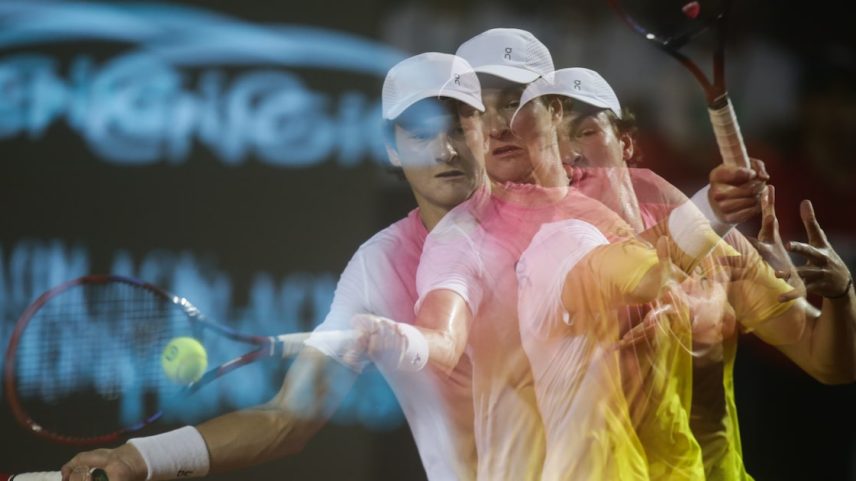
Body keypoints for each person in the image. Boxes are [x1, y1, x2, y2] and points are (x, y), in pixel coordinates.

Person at [60, 52, 488, 481]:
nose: (445, 150)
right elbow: (287, 419)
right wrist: (141, 458)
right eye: (421, 134)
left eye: (459, 128)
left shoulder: (531, 233)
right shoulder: (379, 265)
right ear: (392, 149)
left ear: (487, 133)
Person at [511, 67, 856, 480]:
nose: (570, 153)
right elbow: (647, 275)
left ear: (625, 142)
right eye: (550, 143)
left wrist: (841, 295)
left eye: (585, 132)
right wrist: (713, 209)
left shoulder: (719, 248)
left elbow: (829, 363)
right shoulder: (549, 251)